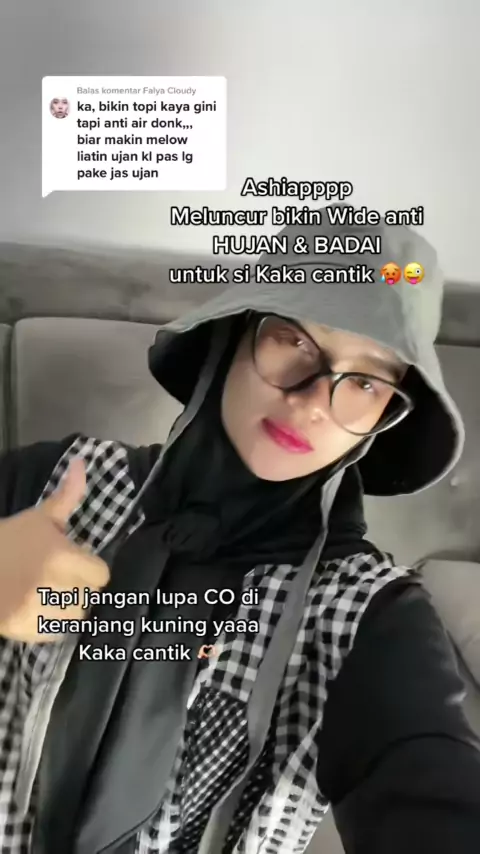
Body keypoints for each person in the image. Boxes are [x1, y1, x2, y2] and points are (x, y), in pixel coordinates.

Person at [1, 209, 480, 854]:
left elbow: (429, 779)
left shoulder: (367, 615)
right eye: (294, 341)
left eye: (365, 381)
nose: (313, 401)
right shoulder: (57, 482)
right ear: (234, 335)